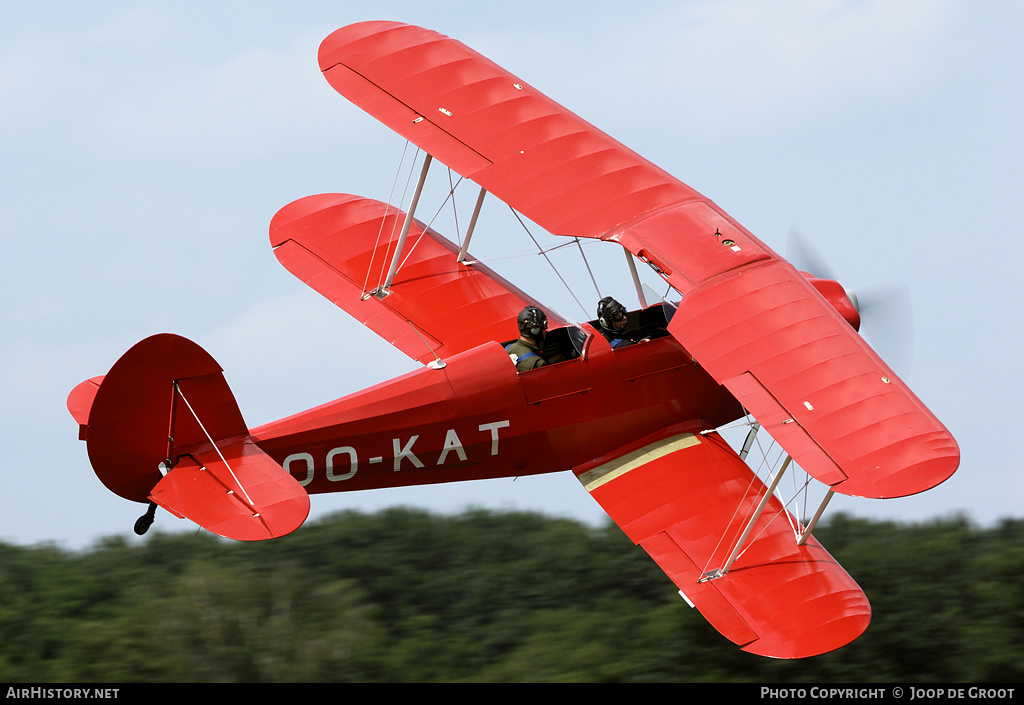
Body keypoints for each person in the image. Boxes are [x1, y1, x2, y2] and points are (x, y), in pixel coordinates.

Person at [506, 305, 548, 371]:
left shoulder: (508, 348)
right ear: (535, 331)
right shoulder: (538, 364)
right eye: (544, 326)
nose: (546, 330)